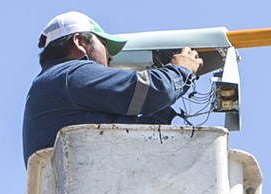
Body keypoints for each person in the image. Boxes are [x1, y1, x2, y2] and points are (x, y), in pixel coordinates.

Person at [22, 11, 203, 163]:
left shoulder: (53, 83)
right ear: (80, 43)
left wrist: (161, 109)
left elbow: (131, 138)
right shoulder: (73, 75)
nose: (110, 57)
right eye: (105, 46)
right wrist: (181, 70)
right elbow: (154, 91)